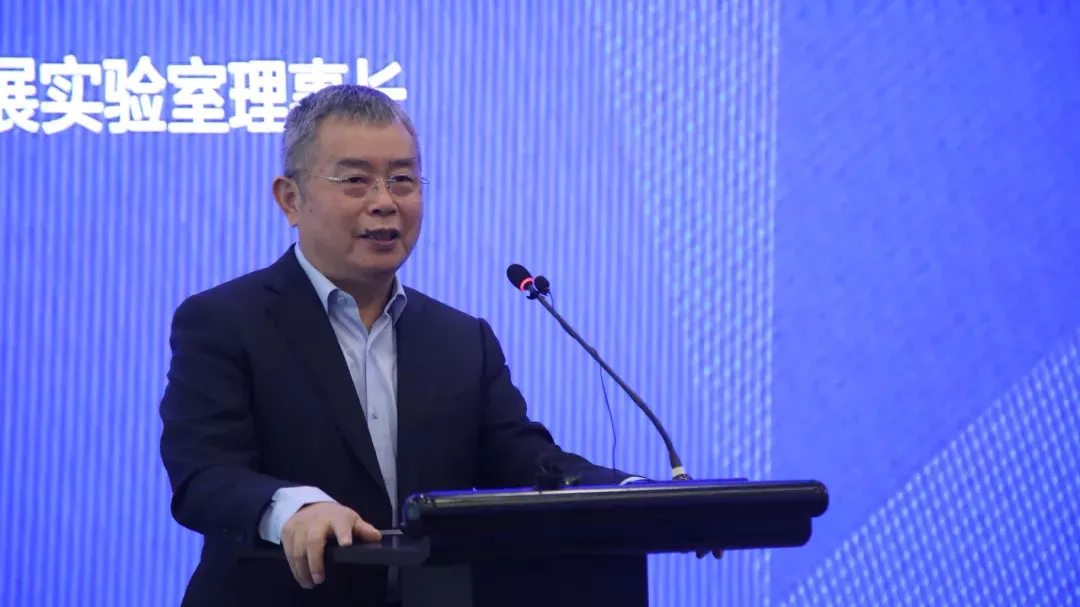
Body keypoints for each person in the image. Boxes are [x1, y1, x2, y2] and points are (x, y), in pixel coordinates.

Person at [157, 84, 647, 607]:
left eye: (403, 180)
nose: (385, 202)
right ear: (290, 199)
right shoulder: (224, 321)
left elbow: (524, 460)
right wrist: (294, 510)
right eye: (355, 181)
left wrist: (630, 493)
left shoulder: (462, 340)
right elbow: (206, 476)